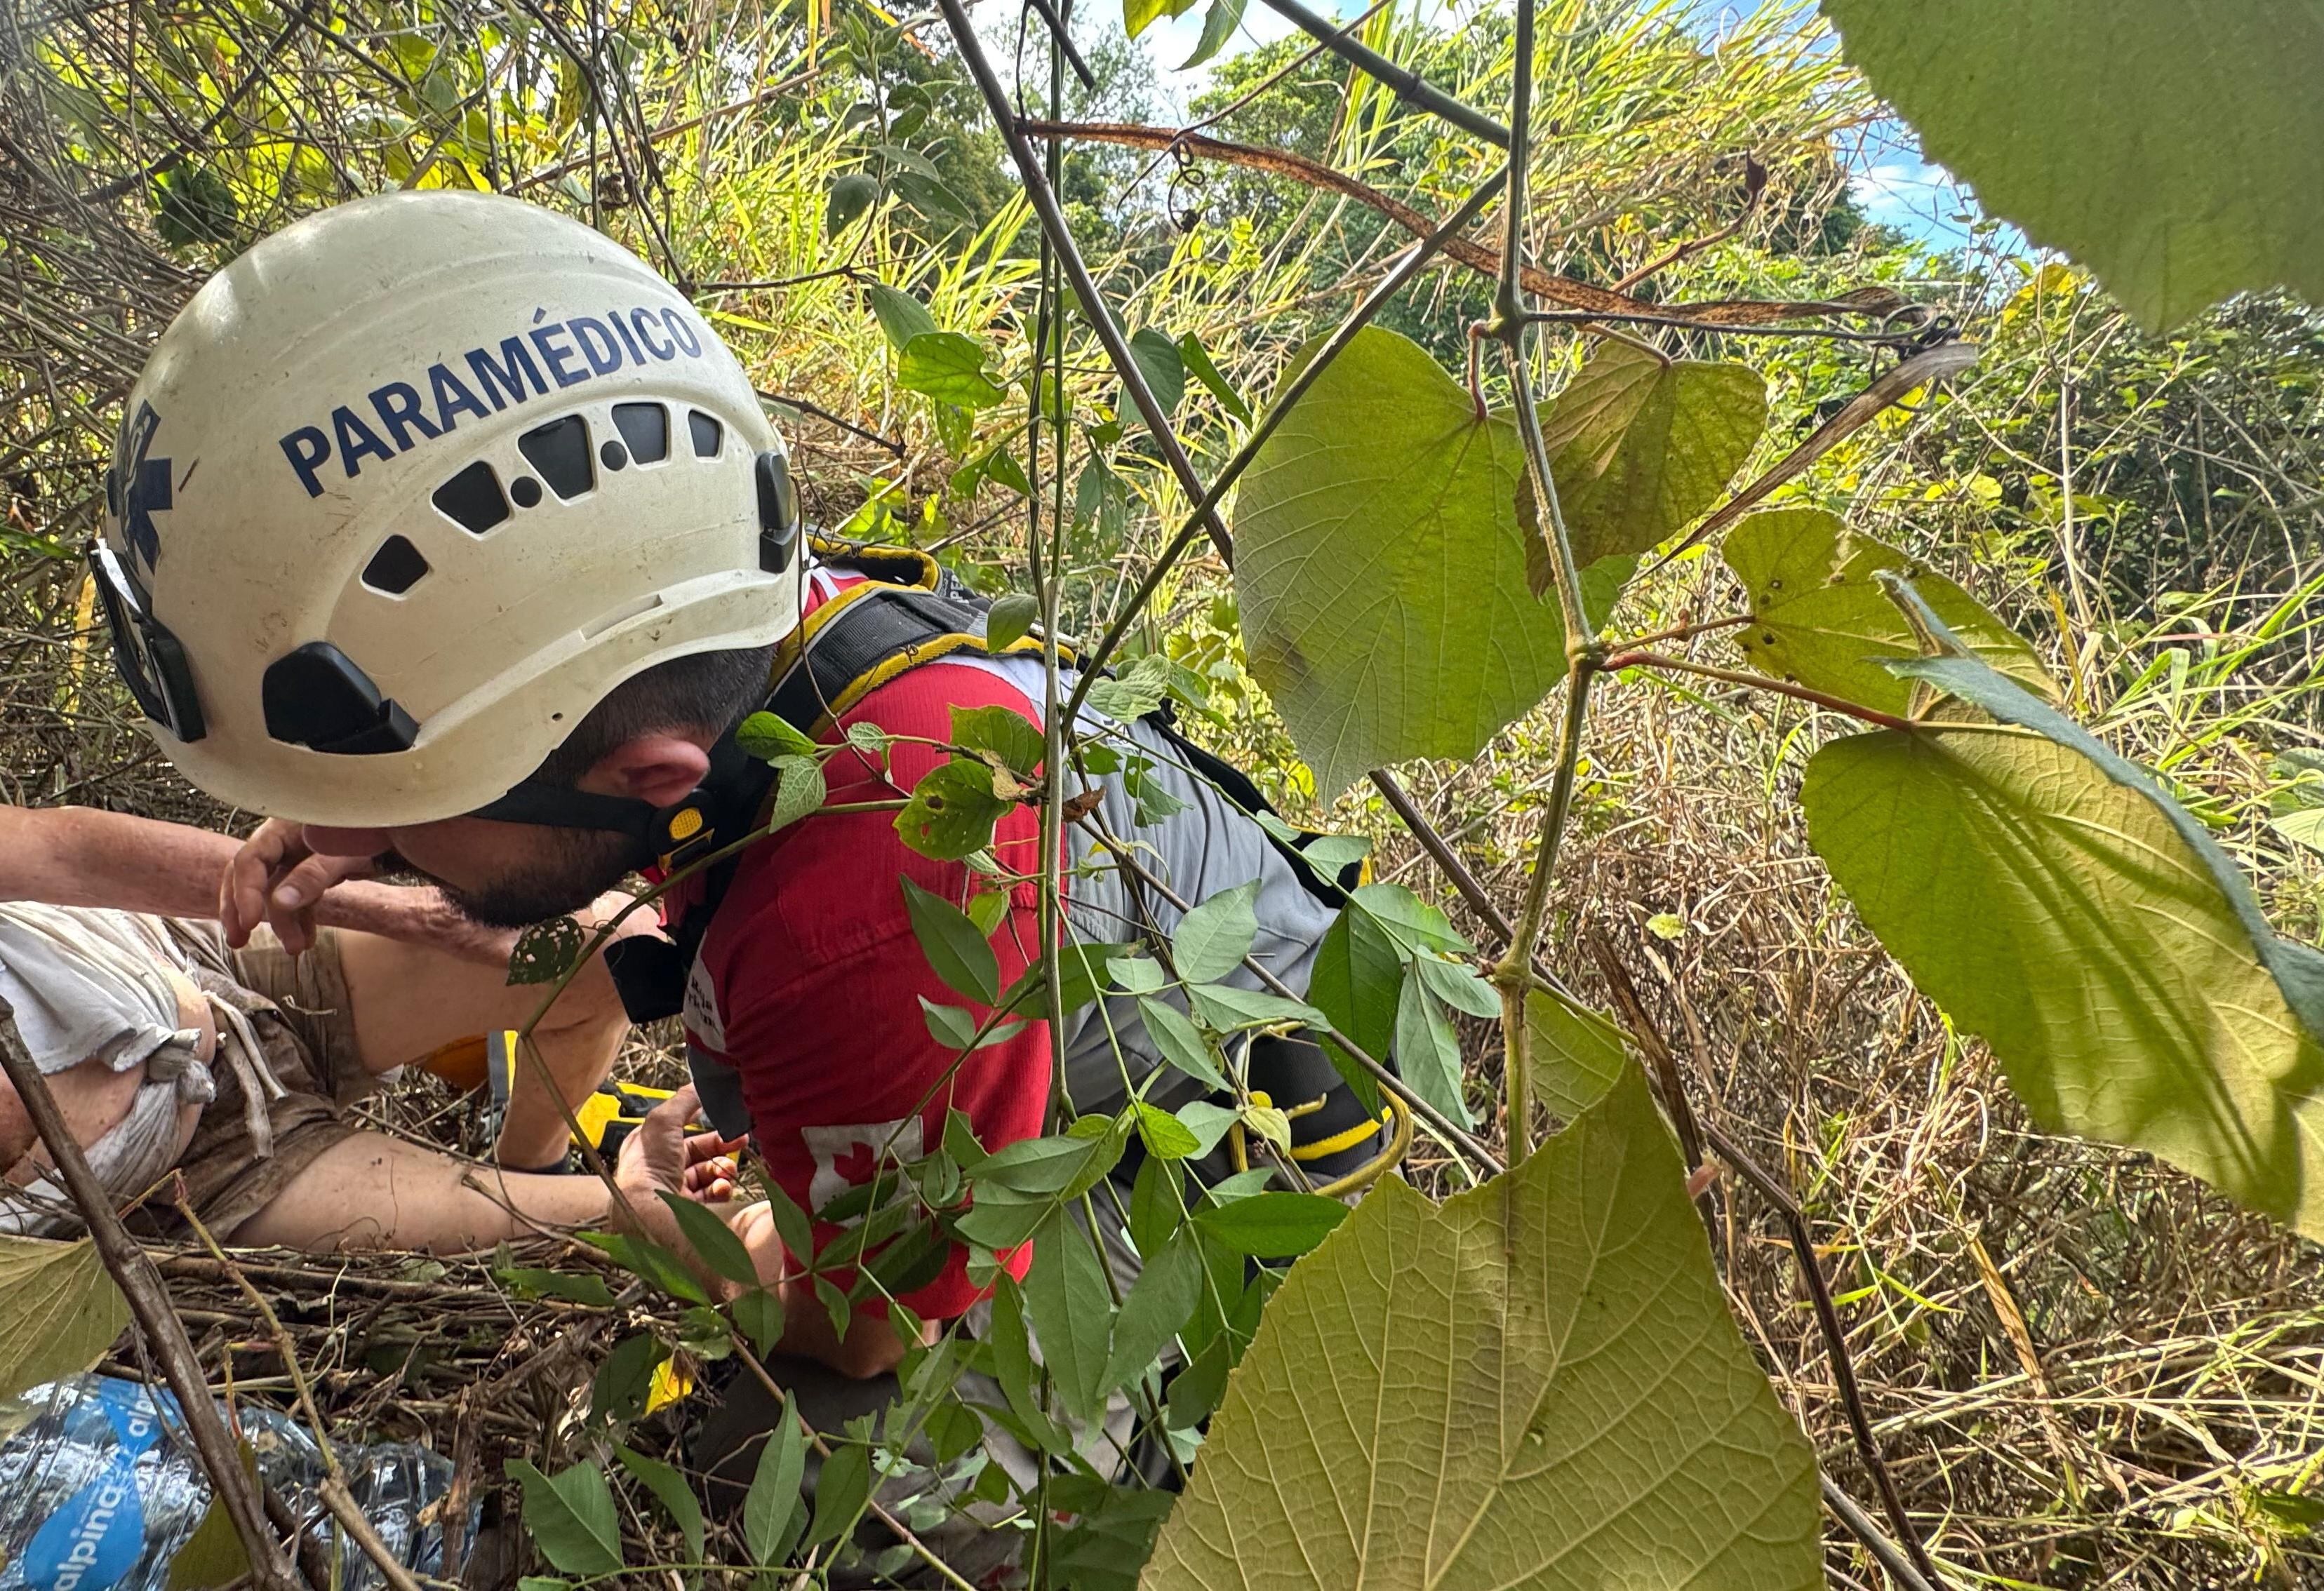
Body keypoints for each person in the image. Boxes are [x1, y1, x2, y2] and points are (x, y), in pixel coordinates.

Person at [97, 192, 1387, 1430]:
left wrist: (697, 1228)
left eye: (396, 791)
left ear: (646, 778)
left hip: (1234, 1129)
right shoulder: (696, 594)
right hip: (1016, 993)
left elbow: (863, 1319)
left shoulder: (862, 912)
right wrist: (367, 820)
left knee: (818, 1455)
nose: (329, 840)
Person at [0, 803, 672, 1251]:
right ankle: (561, 1190)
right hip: (190, 1183)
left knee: (623, 948)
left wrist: (414, 914)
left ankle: (532, 1155)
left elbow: (68, 854)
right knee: (644, 1219)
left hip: (202, 962)